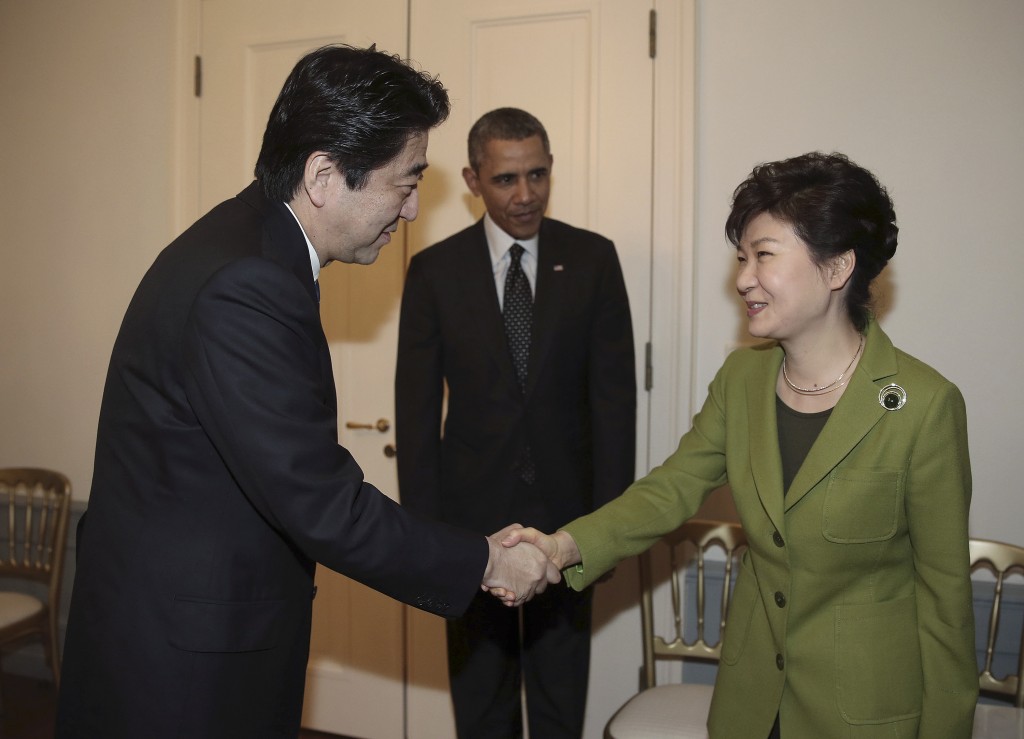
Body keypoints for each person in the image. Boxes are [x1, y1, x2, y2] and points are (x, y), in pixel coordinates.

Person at [56, 46, 558, 739]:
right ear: (324, 174)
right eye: (404, 182)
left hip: (194, 629)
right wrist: (487, 559)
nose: (413, 209)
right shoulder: (245, 285)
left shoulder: (252, 246)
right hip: (183, 667)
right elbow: (321, 502)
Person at [502, 152, 978, 737]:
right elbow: (669, 490)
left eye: (765, 255)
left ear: (837, 268)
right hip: (751, 703)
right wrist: (561, 547)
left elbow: (945, 601)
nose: (743, 278)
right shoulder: (742, 381)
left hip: (862, 713)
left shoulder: (923, 405)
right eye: (741, 257)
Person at [395, 107, 636, 738]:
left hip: (569, 522)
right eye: (506, 180)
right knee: (481, 704)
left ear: (551, 169)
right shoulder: (434, 272)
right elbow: (415, 413)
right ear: (474, 181)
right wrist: (424, 540)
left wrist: (607, 529)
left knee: (559, 703)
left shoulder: (593, 261)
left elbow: (615, 404)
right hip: (469, 527)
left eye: (537, 175)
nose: (525, 194)